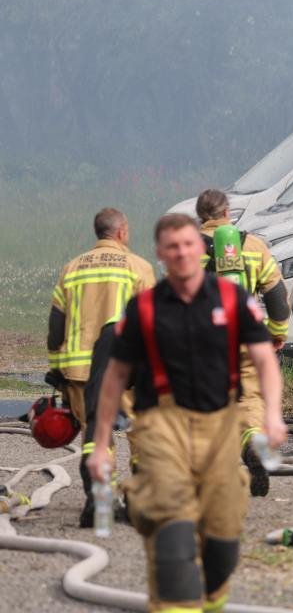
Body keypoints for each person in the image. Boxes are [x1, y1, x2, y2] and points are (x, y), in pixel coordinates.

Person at [88, 214, 287, 613]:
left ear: (202, 250)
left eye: (188, 245)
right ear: (160, 254)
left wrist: (274, 415)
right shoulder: (143, 308)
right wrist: (99, 444)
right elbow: (114, 379)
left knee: (223, 542)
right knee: (173, 529)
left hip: (218, 426)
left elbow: (265, 360)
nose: (181, 253)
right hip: (161, 426)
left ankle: (212, 597)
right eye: (171, 246)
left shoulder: (233, 301)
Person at [46, 207, 155, 525]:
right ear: (121, 232)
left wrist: (56, 370)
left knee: (97, 433)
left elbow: (56, 326)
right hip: (126, 373)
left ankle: (100, 499)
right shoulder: (139, 267)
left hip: (80, 374)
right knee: (140, 435)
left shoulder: (72, 268)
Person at [196, 189, 289, 496]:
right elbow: (276, 296)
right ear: (227, 214)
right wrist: (277, 332)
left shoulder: (186, 246)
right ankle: (253, 442)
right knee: (250, 398)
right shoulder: (252, 245)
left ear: (200, 216)